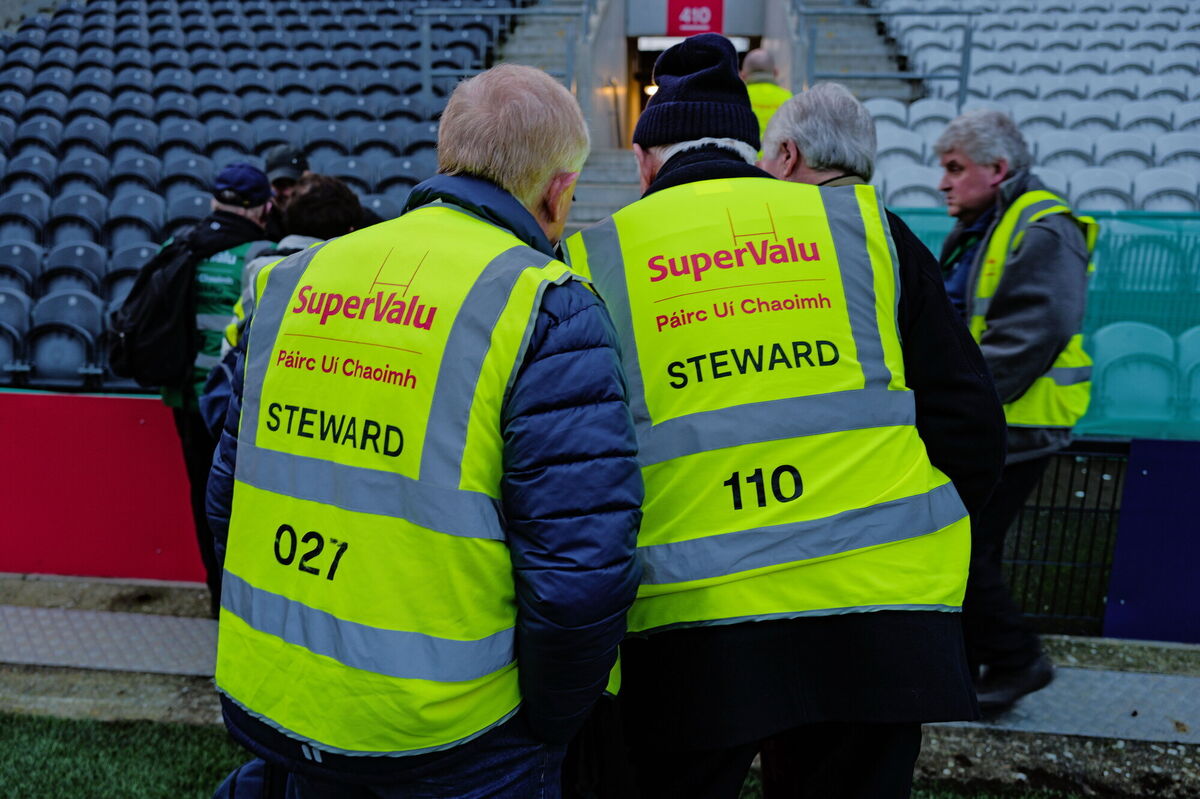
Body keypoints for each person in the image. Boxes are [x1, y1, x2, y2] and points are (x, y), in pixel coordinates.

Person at [563, 36, 1006, 799]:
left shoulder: (596, 257)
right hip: (878, 619)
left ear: (643, 161)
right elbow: (971, 424)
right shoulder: (867, 231)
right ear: (757, 148)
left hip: (689, 636)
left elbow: (579, 467)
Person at [206, 63, 642, 799]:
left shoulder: (292, 280)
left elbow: (227, 504)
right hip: (455, 734)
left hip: (286, 700)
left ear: (448, 154)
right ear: (559, 191)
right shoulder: (547, 306)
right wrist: (552, 723)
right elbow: (577, 580)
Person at [752, 79, 1008, 797]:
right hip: (889, 605)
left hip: (777, 585)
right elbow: (971, 424)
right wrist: (922, 519)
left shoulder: (766, 251)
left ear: (787, 156)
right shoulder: (891, 243)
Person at [934, 109, 1096, 713]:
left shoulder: (1043, 227)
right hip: (1002, 416)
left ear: (997, 169)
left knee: (963, 546)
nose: (943, 183)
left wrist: (962, 405)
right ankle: (979, 664)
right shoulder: (985, 222)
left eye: (956, 169)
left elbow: (1036, 331)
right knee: (976, 545)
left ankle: (1016, 660)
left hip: (1020, 420)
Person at [159, 162, 274, 618]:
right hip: (234, 404)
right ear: (264, 207)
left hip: (186, 399)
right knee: (241, 503)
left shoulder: (178, 245)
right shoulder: (262, 254)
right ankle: (244, 601)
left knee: (200, 496)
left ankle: (215, 598)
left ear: (213, 202)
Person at [198, 174, 364, 435]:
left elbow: (232, 338)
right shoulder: (353, 278)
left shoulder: (261, 268)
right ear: (350, 231)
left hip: (255, 413)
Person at [740, 47, 792, 144]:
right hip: (778, 158)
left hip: (745, 158)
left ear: (742, 76)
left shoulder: (737, 97)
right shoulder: (789, 98)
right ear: (776, 72)